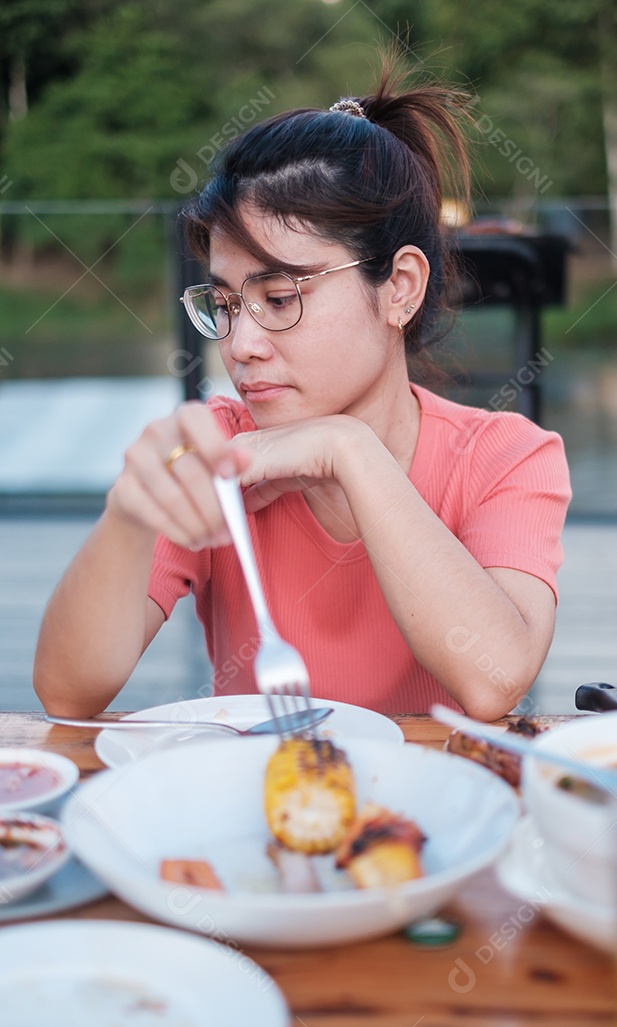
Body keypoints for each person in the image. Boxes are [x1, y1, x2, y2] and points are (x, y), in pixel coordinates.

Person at [34, 62, 571, 723]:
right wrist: (128, 515)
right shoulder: (221, 450)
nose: (240, 344)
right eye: (225, 305)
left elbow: (496, 678)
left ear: (400, 288)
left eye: (281, 297)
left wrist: (349, 451)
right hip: (261, 785)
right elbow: (68, 693)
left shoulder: (505, 457)